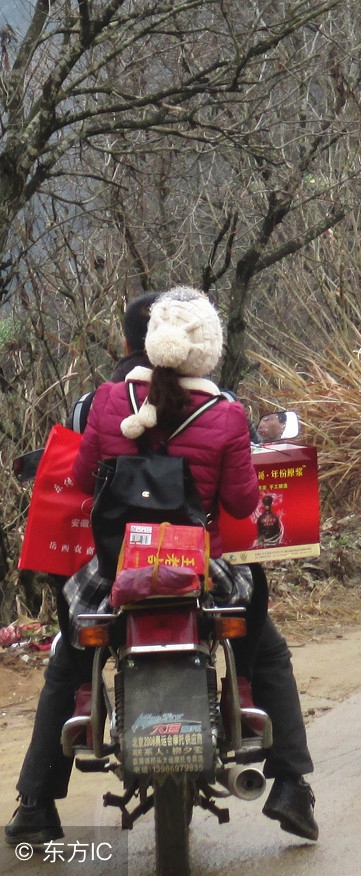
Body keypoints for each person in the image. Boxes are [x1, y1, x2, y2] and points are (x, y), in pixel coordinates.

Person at [6, 288, 319, 847]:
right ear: (207, 349)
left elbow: (79, 481)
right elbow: (246, 506)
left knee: (69, 648)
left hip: (116, 570)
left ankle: (36, 799)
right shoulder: (226, 412)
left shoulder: (102, 400)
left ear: (137, 342)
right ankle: (286, 774)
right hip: (197, 568)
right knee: (264, 638)